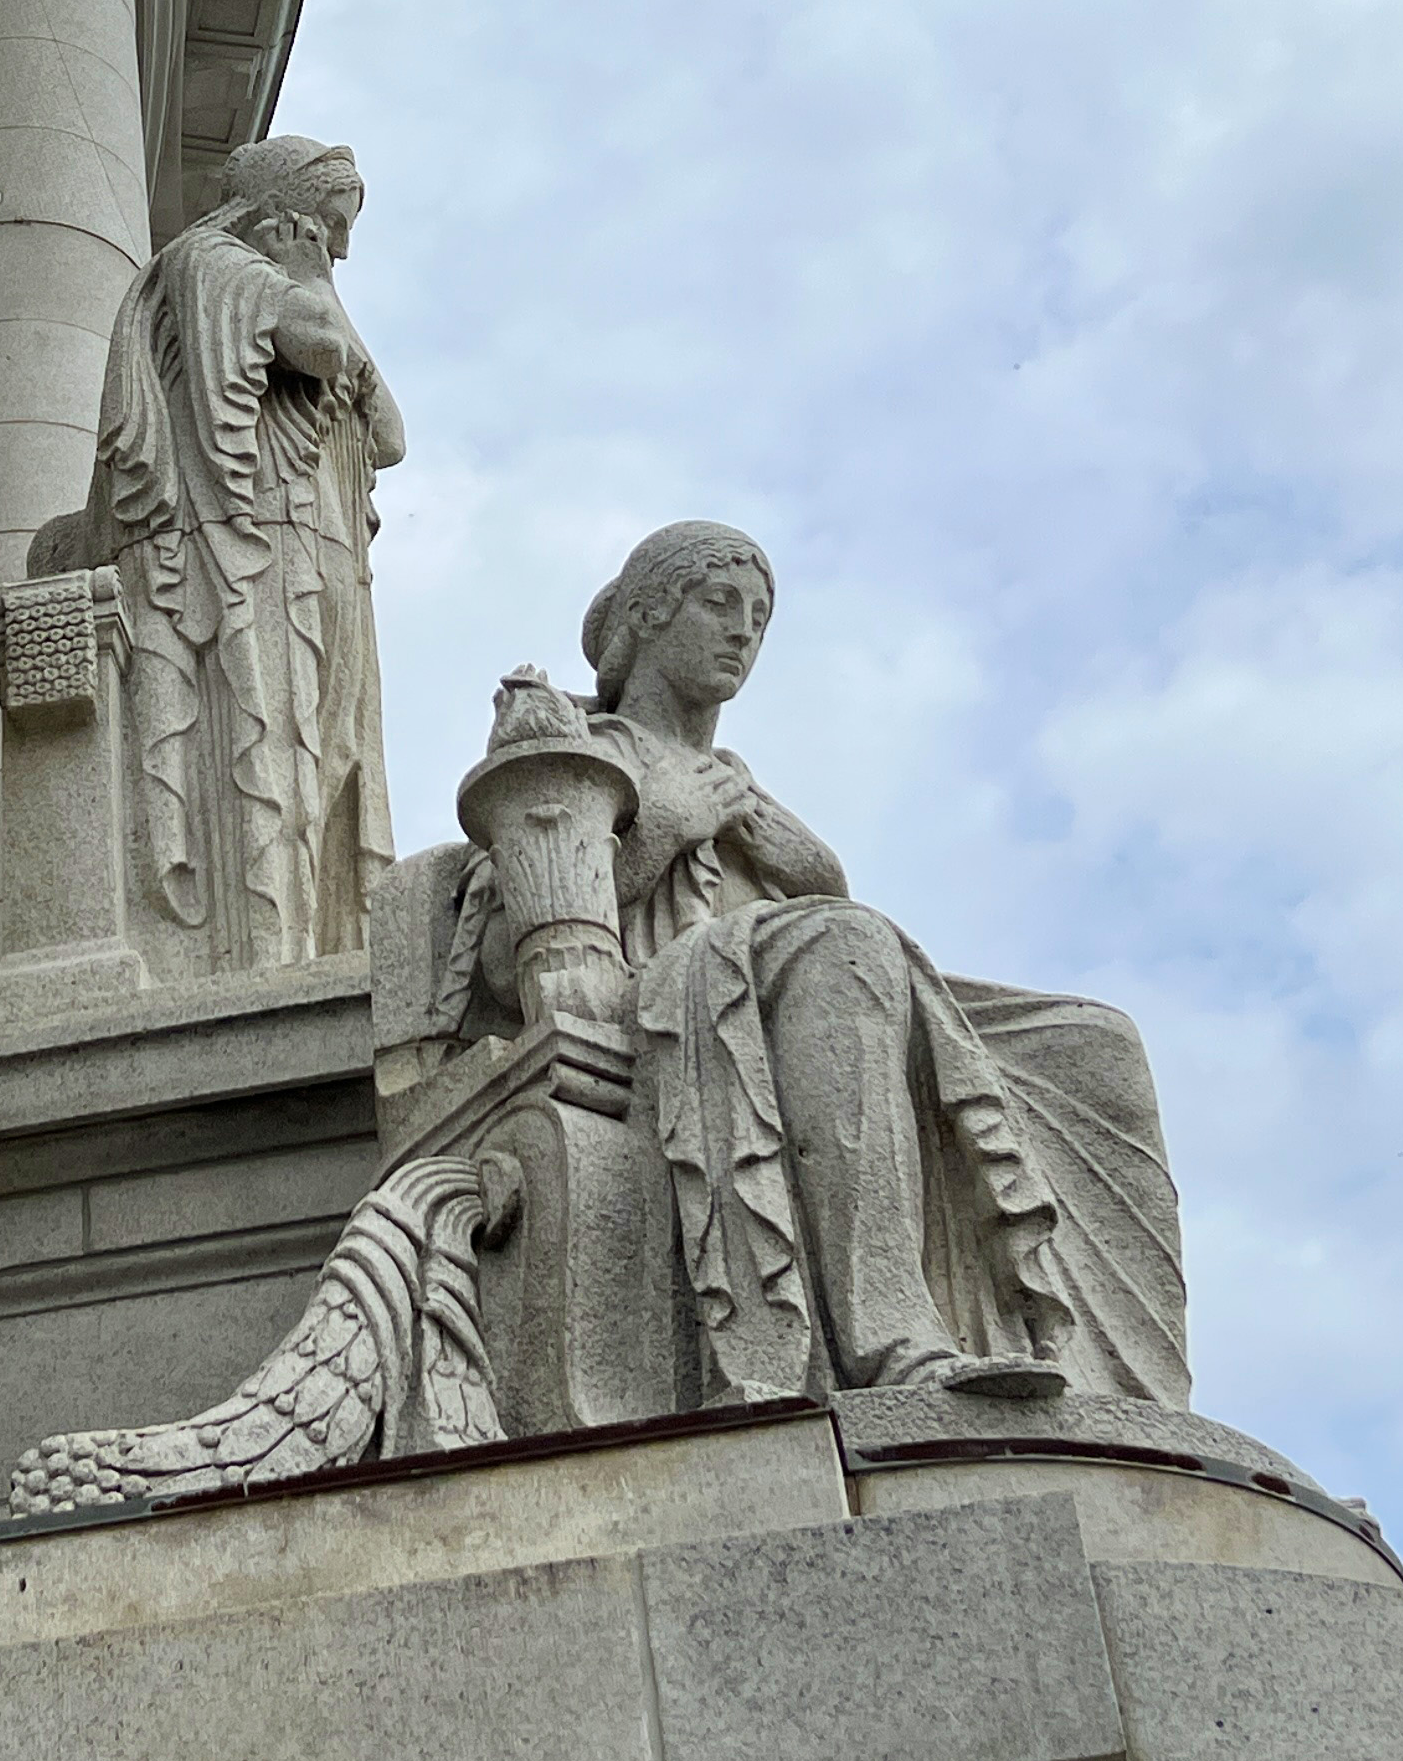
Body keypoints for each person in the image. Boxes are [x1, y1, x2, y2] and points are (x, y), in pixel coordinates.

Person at [442, 521, 1191, 1405]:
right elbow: (501, 963)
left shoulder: (754, 794)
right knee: (849, 944)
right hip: (667, 1002)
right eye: (718, 603)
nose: (742, 633)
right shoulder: (592, 750)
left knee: (1090, 1041)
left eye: (759, 618)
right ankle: (894, 1342)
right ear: (645, 615)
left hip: (797, 997)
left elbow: (831, 939)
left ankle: (1117, 1390)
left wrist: (807, 866)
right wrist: (671, 825)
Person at [40, 136, 402, 974]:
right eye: (332, 225)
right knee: (270, 756)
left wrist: (314, 279)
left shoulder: (284, 280)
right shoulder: (208, 261)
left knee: (331, 761)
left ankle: (305, 952)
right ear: (282, 213)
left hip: (320, 558)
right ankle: (266, 963)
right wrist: (314, 281)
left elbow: (390, 438)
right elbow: (320, 343)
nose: (339, 247)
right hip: (244, 552)